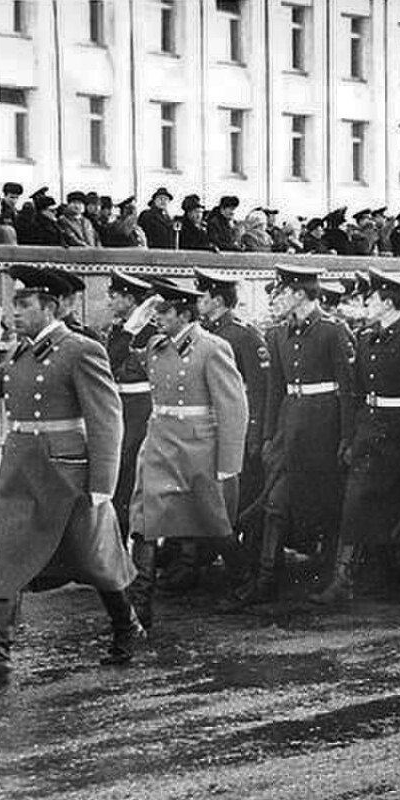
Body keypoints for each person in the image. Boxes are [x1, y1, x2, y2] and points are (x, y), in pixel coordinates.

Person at [0, 266, 141, 686]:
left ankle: (126, 626)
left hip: (65, 473)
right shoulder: (22, 351)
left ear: (50, 306)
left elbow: (106, 419)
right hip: (20, 468)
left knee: (94, 559)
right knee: (4, 555)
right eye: (14, 304)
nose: (14, 312)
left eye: (24, 305)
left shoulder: (80, 349)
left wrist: (102, 484)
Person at [126, 280, 250, 627]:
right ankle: (139, 609)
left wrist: (228, 465)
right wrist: (132, 326)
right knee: (144, 519)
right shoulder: (154, 345)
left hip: (199, 447)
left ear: (184, 313)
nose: (157, 317)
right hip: (161, 442)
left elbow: (232, 407)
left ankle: (243, 581)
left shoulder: (213, 348)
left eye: (164, 311)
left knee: (215, 521)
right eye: (155, 311)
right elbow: (123, 358)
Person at [232, 265, 356, 606]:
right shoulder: (276, 335)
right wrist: (270, 435)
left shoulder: (333, 331)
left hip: (324, 429)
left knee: (328, 505)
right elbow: (276, 389)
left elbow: (348, 390)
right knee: (275, 504)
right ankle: (266, 580)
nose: (276, 299)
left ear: (301, 294)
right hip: (290, 429)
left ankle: (335, 579)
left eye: (282, 293)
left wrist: (346, 439)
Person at [314, 269, 400, 605]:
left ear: (387, 303)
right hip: (371, 435)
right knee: (355, 505)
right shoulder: (367, 340)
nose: (366, 305)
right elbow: (357, 395)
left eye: (371, 300)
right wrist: (351, 437)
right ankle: (344, 580)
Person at [196, 268, 270, 586]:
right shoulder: (205, 332)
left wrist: (252, 436)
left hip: (237, 435)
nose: (199, 301)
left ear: (218, 300)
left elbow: (258, 389)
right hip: (211, 433)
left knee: (238, 504)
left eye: (203, 295)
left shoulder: (244, 335)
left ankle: (244, 570)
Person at [104, 270, 161, 541]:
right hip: (121, 408)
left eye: (114, 296)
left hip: (141, 409)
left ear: (129, 299)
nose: (109, 301)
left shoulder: (151, 330)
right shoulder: (121, 328)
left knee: (132, 479)